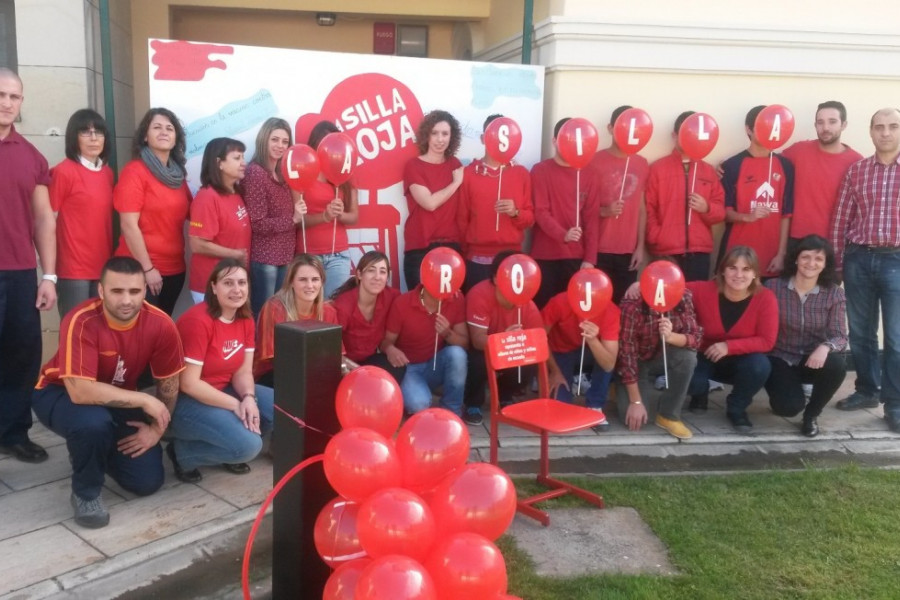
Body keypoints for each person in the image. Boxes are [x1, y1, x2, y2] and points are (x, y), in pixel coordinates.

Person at [32, 257, 184, 528]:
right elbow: (80, 392)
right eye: (117, 291)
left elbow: (169, 385)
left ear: (145, 291)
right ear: (101, 291)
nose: (126, 300)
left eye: (134, 291)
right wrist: (143, 399)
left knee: (147, 482)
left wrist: (156, 429)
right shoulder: (80, 319)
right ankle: (86, 493)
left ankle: (91, 451)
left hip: (114, 397)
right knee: (92, 424)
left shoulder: (161, 324)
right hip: (58, 393)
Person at [169, 258, 274, 483]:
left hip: (224, 390)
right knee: (249, 446)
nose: (236, 290)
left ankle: (224, 442)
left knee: (280, 409)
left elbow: (243, 371)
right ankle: (184, 453)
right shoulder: (198, 321)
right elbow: (189, 384)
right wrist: (236, 405)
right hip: (186, 402)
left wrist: (248, 398)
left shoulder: (245, 318)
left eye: (242, 283)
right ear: (214, 287)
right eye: (228, 283)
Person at [830, 107, 900, 431]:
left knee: (897, 338)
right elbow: (841, 219)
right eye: (879, 127)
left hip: (896, 261)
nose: (885, 133)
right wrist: (839, 262)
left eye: (893, 126)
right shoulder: (857, 171)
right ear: (870, 132)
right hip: (859, 258)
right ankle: (867, 391)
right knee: (860, 332)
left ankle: (896, 403)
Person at [0, 67, 56, 463]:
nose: (6, 103)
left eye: (14, 97)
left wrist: (48, 275)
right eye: (1, 94)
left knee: (21, 356)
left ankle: (14, 432)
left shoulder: (32, 157)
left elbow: (43, 219)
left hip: (20, 273)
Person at [686, 246, 778, 433]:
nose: (738, 274)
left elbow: (767, 341)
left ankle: (737, 407)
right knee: (690, 378)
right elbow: (670, 285)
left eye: (746, 269)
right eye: (732, 268)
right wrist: (641, 284)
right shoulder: (704, 290)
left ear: (755, 274)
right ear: (722, 271)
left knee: (760, 365)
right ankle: (699, 395)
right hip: (704, 356)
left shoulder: (765, 298)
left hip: (742, 361)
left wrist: (729, 346)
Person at [764, 235, 847, 437]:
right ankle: (789, 391)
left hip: (812, 359)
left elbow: (840, 336)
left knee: (837, 365)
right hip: (780, 357)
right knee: (787, 408)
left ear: (825, 264)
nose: (811, 263)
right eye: (806, 257)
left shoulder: (834, 293)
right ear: (796, 259)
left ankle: (811, 415)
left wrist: (825, 347)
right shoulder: (772, 287)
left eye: (818, 259)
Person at [114, 107, 191, 315]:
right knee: (140, 336)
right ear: (145, 137)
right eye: (156, 127)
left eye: (169, 128)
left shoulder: (177, 176)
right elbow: (128, 226)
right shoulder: (135, 172)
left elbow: (195, 215)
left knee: (161, 332)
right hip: (141, 270)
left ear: (176, 138)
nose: (164, 132)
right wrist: (147, 269)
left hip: (175, 270)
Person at [616, 274, 701, 440]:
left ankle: (669, 414)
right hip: (637, 362)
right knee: (634, 421)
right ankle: (622, 389)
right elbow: (626, 355)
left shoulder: (683, 297)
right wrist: (636, 402)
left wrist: (671, 337)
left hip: (663, 356)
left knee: (688, 357)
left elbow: (695, 338)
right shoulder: (632, 305)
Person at [463, 251, 544, 425]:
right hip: (484, 349)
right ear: (496, 278)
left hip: (511, 352)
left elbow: (539, 344)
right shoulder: (479, 294)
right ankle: (473, 403)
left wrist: (555, 372)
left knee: (530, 362)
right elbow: (477, 341)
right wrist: (503, 340)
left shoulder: (528, 304)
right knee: (477, 360)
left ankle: (504, 395)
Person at [645, 111, 725, 282]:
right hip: (666, 252)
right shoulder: (658, 169)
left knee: (695, 303)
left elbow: (721, 212)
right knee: (666, 305)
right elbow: (648, 208)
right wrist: (657, 236)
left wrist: (707, 208)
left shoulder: (708, 170)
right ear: (675, 135)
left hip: (699, 252)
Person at [457, 114, 534, 291]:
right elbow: (461, 219)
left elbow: (530, 219)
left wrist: (515, 212)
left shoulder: (521, 174)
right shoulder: (469, 173)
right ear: (483, 138)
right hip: (476, 259)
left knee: (509, 313)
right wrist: (463, 254)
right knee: (477, 309)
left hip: (512, 256)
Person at [50, 108, 115, 317]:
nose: (94, 138)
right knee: (74, 328)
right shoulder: (63, 172)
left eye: (99, 132)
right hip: (73, 268)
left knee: (98, 328)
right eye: (86, 132)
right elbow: (47, 220)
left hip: (103, 265)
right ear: (73, 137)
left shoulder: (107, 173)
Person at [530, 118, 600, 308]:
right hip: (545, 255)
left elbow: (592, 219)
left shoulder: (591, 174)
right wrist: (563, 234)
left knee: (571, 312)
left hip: (576, 257)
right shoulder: (540, 170)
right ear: (554, 141)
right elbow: (541, 212)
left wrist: (590, 259)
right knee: (544, 311)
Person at [720, 105, 795, 279]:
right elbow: (723, 212)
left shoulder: (785, 166)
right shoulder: (732, 165)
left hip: (772, 257)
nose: (768, 132)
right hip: (737, 257)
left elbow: (786, 214)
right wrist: (747, 217)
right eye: (761, 127)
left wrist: (781, 254)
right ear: (749, 129)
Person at [381, 273, 469, 416]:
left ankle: (452, 411)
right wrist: (391, 349)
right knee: (419, 404)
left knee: (457, 354)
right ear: (423, 280)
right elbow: (386, 341)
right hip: (408, 368)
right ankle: (415, 394)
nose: (440, 286)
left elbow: (464, 344)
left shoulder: (456, 298)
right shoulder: (403, 302)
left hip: (434, 364)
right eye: (436, 279)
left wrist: (447, 333)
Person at [586, 106, 649, 303]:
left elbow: (641, 208)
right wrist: (605, 211)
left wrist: (640, 247)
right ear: (610, 128)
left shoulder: (641, 163)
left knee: (624, 306)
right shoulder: (593, 161)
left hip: (627, 251)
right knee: (598, 304)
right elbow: (581, 207)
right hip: (598, 249)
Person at [243, 117, 305, 316]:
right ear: (264, 140)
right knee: (264, 315)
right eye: (275, 139)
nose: (280, 146)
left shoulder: (284, 173)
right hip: (265, 259)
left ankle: (274, 349)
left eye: (285, 142)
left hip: (285, 257)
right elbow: (258, 223)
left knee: (280, 315)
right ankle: (260, 349)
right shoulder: (255, 173)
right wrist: (293, 219)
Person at [782, 101, 863, 250]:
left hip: (834, 241)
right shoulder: (798, 151)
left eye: (832, 122)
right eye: (820, 122)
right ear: (815, 125)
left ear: (843, 125)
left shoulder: (857, 162)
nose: (825, 128)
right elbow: (768, 164)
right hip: (796, 239)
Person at [255, 254, 342, 386]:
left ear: (322, 282)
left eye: (315, 279)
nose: (310, 285)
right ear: (291, 282)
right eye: (302, 280)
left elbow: (336, 356)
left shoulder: (328, 311)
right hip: (273, 375)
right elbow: (273, 359)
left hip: (314, 373)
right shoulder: (274, 308)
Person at [402, 109, 464, 290]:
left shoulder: (455, 165)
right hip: (420, 247)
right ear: (426, 135)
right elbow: (429, 203)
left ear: (451, 137)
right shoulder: (413, 166)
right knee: (420, 308)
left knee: (449, 306)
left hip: (451, 246)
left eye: (445, 133)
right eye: (435, 133)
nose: (440, 139)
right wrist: (455, 183)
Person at [542, 289, 620, 431]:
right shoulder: (560, 301)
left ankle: (595, 405)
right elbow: (539, 337)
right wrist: (555, 371)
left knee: (607, 355)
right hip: (562, 349)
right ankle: (568, 385)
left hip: (592, 350)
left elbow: (609, 364)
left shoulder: (610, 310)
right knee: (560, 410)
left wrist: (593, 340)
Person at [188, 137, 251, 303]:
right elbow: (197, 244)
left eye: (243, 157)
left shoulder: (235, 193)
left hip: (233, 284)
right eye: (237, 158)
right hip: (211, 286)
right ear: (219, 163)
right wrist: (235, 254)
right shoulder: (207, 197)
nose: (243, 162)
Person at [300, 121, 359, 298]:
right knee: (309, 309)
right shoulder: (302, 171)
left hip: (338, 255)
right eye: (322, 143)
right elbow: (297, 220)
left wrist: (339, 215)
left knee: (334, 307)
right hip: (309, 255)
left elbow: (354, 217)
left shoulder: (345, 174)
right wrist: (324, 216)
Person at [331, 251, 405, 384]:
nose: (377, 277)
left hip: (369, 359)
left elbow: (413, 301)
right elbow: (331, 351)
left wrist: (389, 348)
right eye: (371, 270)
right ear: (359, 274)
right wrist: (359, 372)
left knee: (397, 367)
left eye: (382, 271)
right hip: (341, 363)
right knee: (362, 383)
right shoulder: (344, 305)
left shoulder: (392, 297)